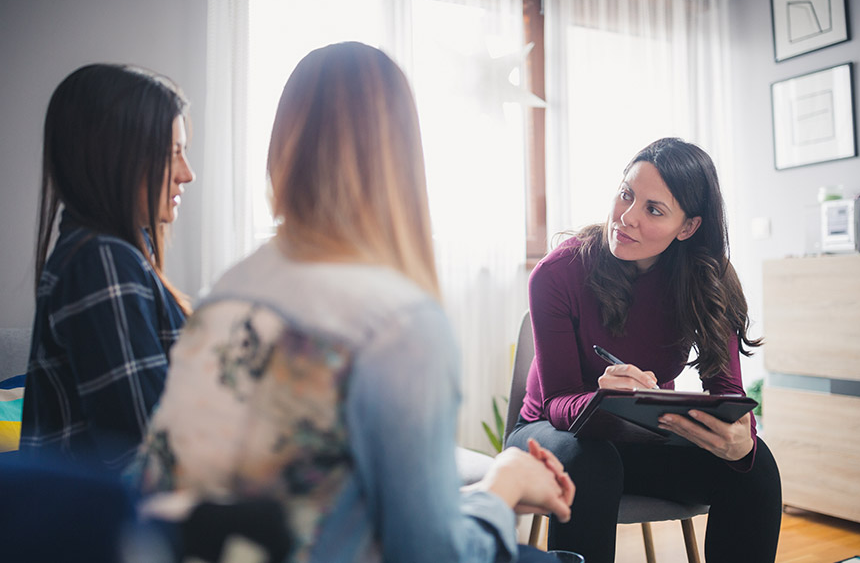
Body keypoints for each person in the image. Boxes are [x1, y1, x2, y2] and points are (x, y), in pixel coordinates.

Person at [129, 42, 576, 563]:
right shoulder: (399, 322)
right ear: (403, 157)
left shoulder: (228, 289)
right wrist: (504, 486)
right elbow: (434, 554)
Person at [506, 138, 782, 563]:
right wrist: (604, 400)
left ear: (687, 227)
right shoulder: (558, 273)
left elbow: (727, 392)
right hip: (548, 436)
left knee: (755, 465)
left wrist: (739, 440)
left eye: (653, 209)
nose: (626, 218)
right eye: (626, 194)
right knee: (592, 461)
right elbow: (556, 401)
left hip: (637, 439)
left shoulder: (707, 280)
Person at [20, 63, 194, 472]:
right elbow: (142, 451)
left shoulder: (112, 254)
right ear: (115, 160)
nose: (187, 174)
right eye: (172, 155)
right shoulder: (100, 262)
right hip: (99, 529)